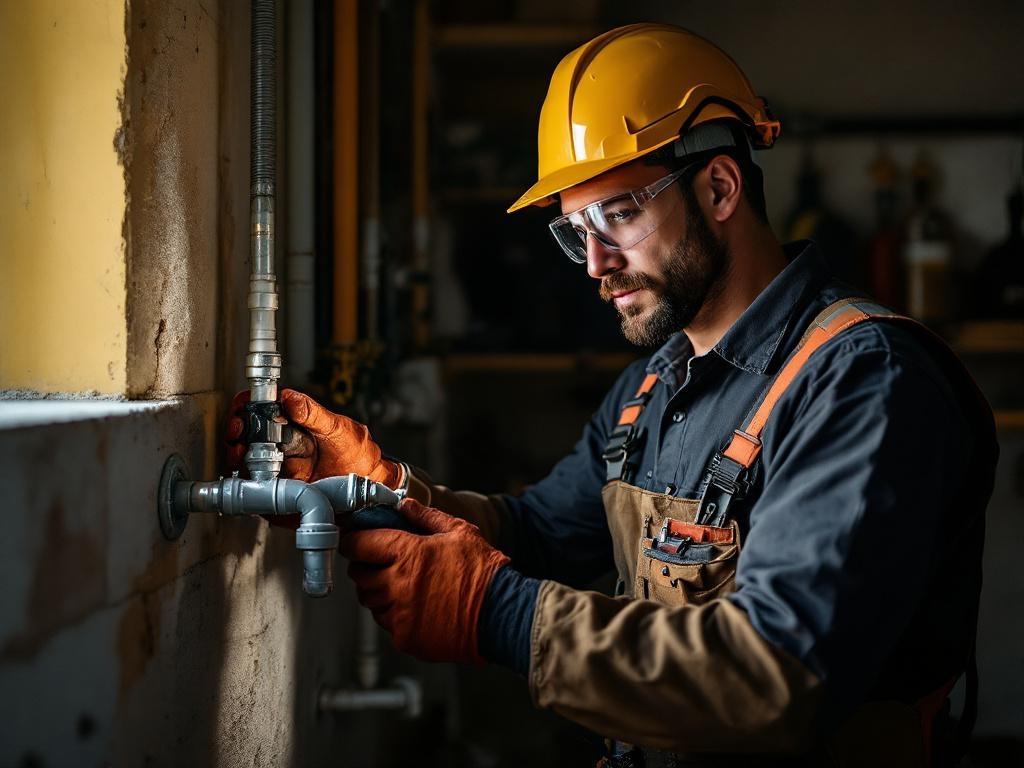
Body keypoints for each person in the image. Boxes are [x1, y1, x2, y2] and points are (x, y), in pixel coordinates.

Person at [228, 23, 997, 767]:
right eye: (575, 232)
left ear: (721, 186)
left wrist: (494, 613)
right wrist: (382, 490)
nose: (595, 263)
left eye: (618, 215)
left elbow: (781, 674)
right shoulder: (654, 385)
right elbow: (537, 533)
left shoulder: (865, 381)